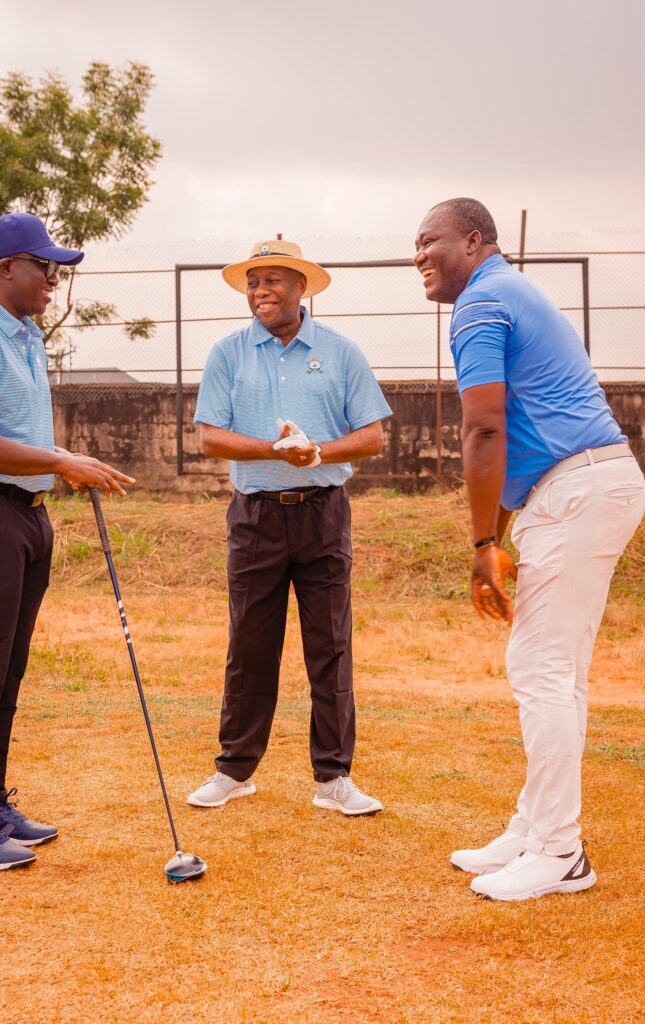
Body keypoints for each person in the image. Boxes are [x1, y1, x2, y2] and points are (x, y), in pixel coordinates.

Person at [414, 198, 645, 901]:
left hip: (577, 488)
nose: (418, 256)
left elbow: (483, 429)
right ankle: (533, 828)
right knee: (558, 672)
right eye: (413, 246)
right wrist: (507, 528)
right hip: (588, 485)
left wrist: (484, 539)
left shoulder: (480, 304)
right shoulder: (509, 291)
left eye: (430, 242)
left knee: (540, 669)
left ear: (473, 240)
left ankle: (559, 851)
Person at [0, 212, 134, 871]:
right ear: (4, 268)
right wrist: (59, 460)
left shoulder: (24, 334)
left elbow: (9, 429)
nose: (53, 279)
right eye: (45, 266)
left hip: (23, 512)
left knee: (7, 666)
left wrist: (59, 460)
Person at [188, 239, 392, 816]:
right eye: (254, 282)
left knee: (330, 645)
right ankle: (234, 770)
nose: (261, 292)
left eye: (274, 280)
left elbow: (372, 435)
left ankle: (333, 779)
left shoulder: (341, 351)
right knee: (250, 645)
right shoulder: (228, 353)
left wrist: (318, 451)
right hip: (254, 517)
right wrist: (275, 449)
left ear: (302, 287)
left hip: (323, 513)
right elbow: (209, 436)